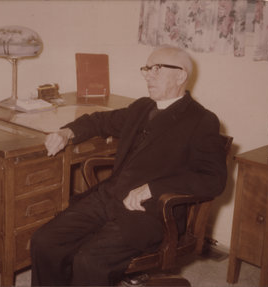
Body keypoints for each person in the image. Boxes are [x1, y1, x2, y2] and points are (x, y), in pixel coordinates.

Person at [30, 45, 227, 286]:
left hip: (151, 213)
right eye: (146, 69)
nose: (147, 75)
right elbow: (101, 121)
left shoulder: (201, 120)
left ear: (181, 75)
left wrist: (152, 188)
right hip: (109, 197)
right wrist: (67, 132)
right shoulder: (142, 107)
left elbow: (213, 179)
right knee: (45, 240)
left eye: (157, 69)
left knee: (90, 261)